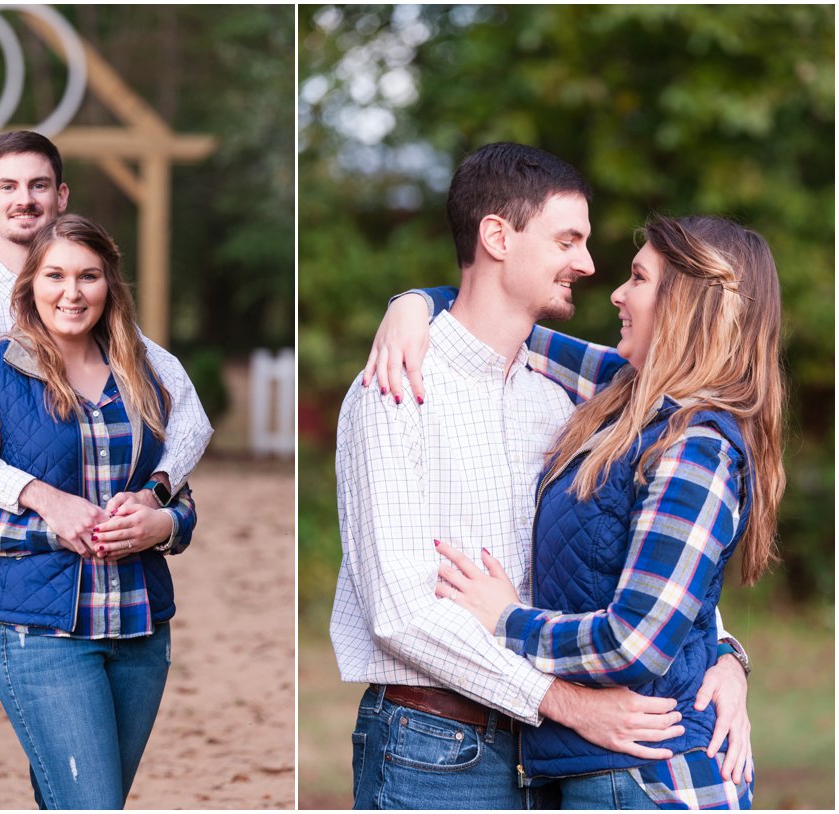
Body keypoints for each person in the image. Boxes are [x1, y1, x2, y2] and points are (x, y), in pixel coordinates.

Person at [331, 143, 750, 810]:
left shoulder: (564, 399)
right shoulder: (396, 388)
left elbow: (653, 547)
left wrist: (725, 653)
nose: (588, 264)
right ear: (497, 237)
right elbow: (399, 613)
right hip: (434, 745)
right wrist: (566, 702)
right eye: (567, 240)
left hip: (551, 756)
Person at [431, 213, 782, 808]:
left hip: (652, 779)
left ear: (687, 305)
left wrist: (507, 619)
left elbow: (635, 642)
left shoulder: (695, 451)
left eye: (638, 279)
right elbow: (499, 328)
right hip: (606, 772)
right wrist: (416, 304)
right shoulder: (630, 394)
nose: (617, 293)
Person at [0, 131, 212, 808]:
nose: (25, 199)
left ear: (61, 196)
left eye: (38, 185)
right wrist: (39, 497)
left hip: (102, 571)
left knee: (70, 777)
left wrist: (157, 494)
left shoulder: (96, 310)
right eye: (9, 187)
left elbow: (187, 416)